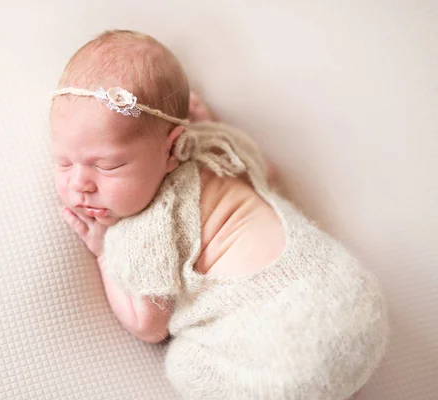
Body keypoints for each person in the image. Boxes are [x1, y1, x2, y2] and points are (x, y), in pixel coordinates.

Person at [50, 30, 388, 400]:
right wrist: (212, 122)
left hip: (287, 361)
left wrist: (102, 252)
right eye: (63, 162)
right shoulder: (219, 144)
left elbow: (148, 325)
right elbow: (267, 174)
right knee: (317, 369)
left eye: (107, 166)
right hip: (354, 302)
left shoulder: (144, 227)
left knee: (186, 365)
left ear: (173, 149)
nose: (81, 183)